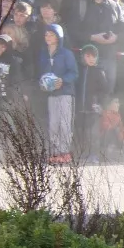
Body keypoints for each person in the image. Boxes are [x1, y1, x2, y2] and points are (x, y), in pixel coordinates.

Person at [62, 0, 121, 89]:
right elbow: (72, 30)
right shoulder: (79, 5)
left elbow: (121, 28)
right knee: (88, 98)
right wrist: (92, 37)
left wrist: (116, 37)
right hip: (86, 59)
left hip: (108, 57)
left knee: (107, 96)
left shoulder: (114, 6)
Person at [36, 23, 78, 162]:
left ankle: (65, 152)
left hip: (65, 92)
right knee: (53, 123)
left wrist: (63, 80)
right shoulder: (43, 53)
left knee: (64, 123)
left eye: (51, 34)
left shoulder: (67, 53)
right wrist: (43, 83)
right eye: (46, 34)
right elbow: (42, 72)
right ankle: (54, 152)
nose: (48, 37)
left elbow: (74, 73)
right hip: (51, 94)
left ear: (59, 37)